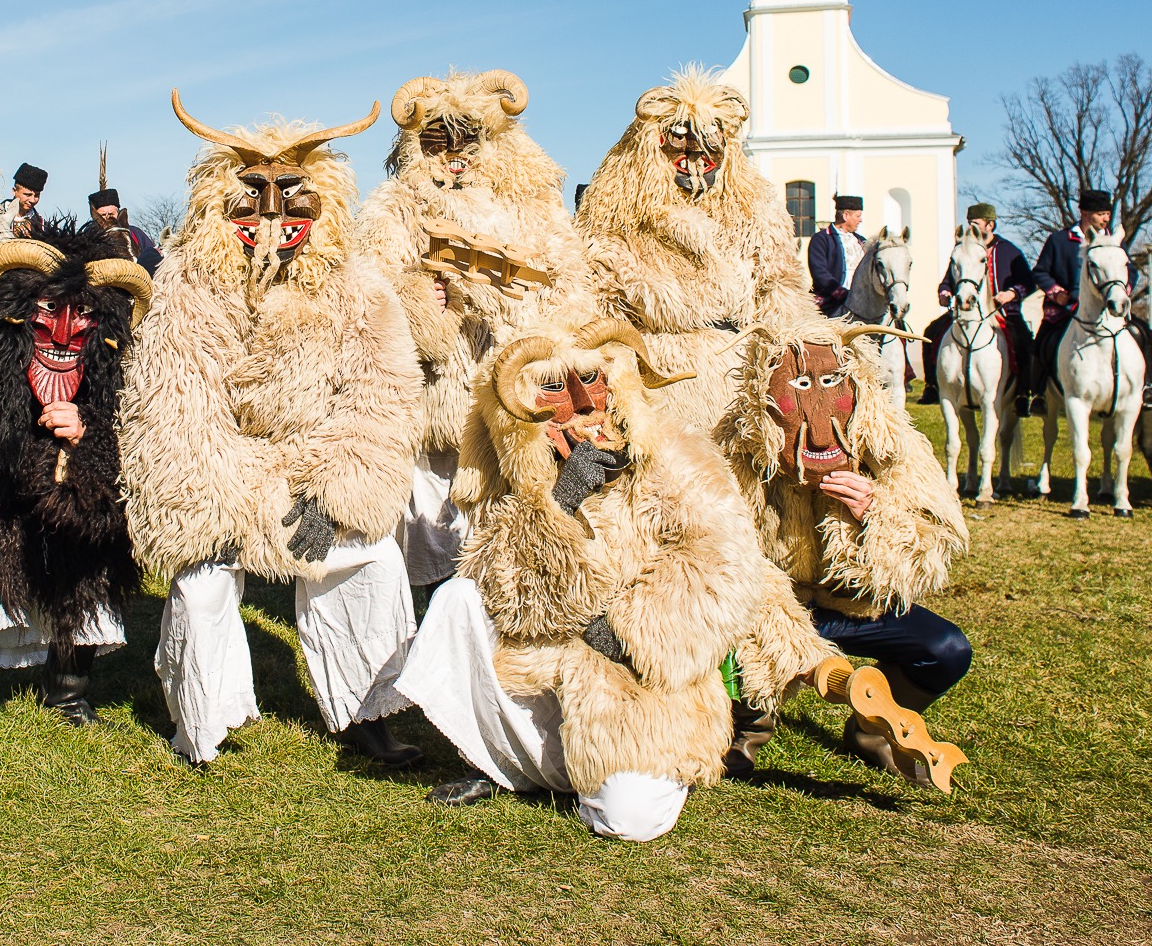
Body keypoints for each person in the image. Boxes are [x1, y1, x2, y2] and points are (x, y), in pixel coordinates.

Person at [397, 318, 832, 840]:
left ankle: (629, 765)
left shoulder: (672, 457)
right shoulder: (523, 475)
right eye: (555, 389)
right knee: (458, 599)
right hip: (550, 655)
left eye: (593, 383)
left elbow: (726, 561)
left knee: (628, 820)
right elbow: (503, 584)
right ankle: (499, 764)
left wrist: (631, 632)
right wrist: (558, 503)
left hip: (640, 669)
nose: (584, 405)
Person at [120, 92, 423, 770]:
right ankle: (206, 723)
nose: (271, 219)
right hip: (227, 480)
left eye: (291, 202)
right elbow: (173, 406)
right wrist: (219, 502)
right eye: (252, 202)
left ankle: (368, 715)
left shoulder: (358, 287)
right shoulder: (188, 287)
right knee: (202, 581)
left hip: (313, 478)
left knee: (370, 562)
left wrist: (338, 493)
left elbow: (379, 396)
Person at [351, 71, 595, 589]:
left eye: (469, 137)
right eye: (439, 138)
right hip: (441, 392)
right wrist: (418, 302)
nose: (455, 152)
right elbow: (369, 292)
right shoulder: (396, 207)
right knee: (437, 521)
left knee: (509, 518)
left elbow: (568, 279)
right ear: (418, 145)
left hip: (515, 392)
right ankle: (429, 626)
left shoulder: (533, 205)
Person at [714, 319, 971, 787]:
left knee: (947, 649)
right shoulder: (738, 450)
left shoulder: (891, 443)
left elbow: (936, 536)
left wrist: (875, 511)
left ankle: (869, 734)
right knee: (729, 626)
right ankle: (746, 729)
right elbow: (721, 551)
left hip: (848, 604)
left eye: (831, 382)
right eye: (801, 385)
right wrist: (781, 622)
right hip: (768, 604)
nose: (818, 404)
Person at [0, 220, 152, 722]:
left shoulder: (119, 373)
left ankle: (68, 688)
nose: (63, 333)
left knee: (92, 560)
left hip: (76, 503)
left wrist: (87, 433)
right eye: (48, 309)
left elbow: (130, 439)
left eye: (83, 314)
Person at [575, 68, 817, 434]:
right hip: (661, 388)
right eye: (679, 145)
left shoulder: (758, 211)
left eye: (709, 147)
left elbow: (783, 297)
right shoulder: (613, 217)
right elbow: (591, 312)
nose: (694, 159)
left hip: (745, 385)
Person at [1029, 188, 1152, 409]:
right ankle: (1039, 394)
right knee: (1043, 342)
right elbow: (1040, 272)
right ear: (1084, 212)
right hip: (1067, 306)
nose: (1105, 219)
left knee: (1143, 333)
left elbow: (1131, 270)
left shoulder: (1114, 240)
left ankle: (1147, 387)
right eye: (1101, 214)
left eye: (1108, 214)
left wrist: (1123, 289)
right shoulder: (1059, 240)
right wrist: (1056, 293)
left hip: (1109, 307)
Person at [918, 204, 1035, 409]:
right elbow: (949, 279)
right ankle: (932, 387)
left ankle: (1023, 394)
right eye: (969, 223)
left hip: (1002, 313)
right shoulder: (963, 249)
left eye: (975, 223)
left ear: (990, 224)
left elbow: (1028, 282)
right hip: (964, 311)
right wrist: (944, 292)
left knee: (1023, 339)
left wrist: (1011, 293)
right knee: (931, 332)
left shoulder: (1009, 250)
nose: (970, 227)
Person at [807, 194, 869, 317]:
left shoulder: (862, 241)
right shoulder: (821, 239)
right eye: (858, 216)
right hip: (832, 302)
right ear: (846, 216)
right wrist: (841, 293)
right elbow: (819, 272)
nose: (860, 220)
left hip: (862, 302)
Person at [89, 188, 162, 273]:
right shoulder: (88, 237)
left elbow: (150, 255)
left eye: (111, 214)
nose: (107, 217)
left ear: (118, 213)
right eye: (103, 215)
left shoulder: (136, 233)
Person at [3, 162, 47, 238]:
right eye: (27, 195)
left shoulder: (41, 225)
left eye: (36, 196)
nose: (32, 200)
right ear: (14, 191)